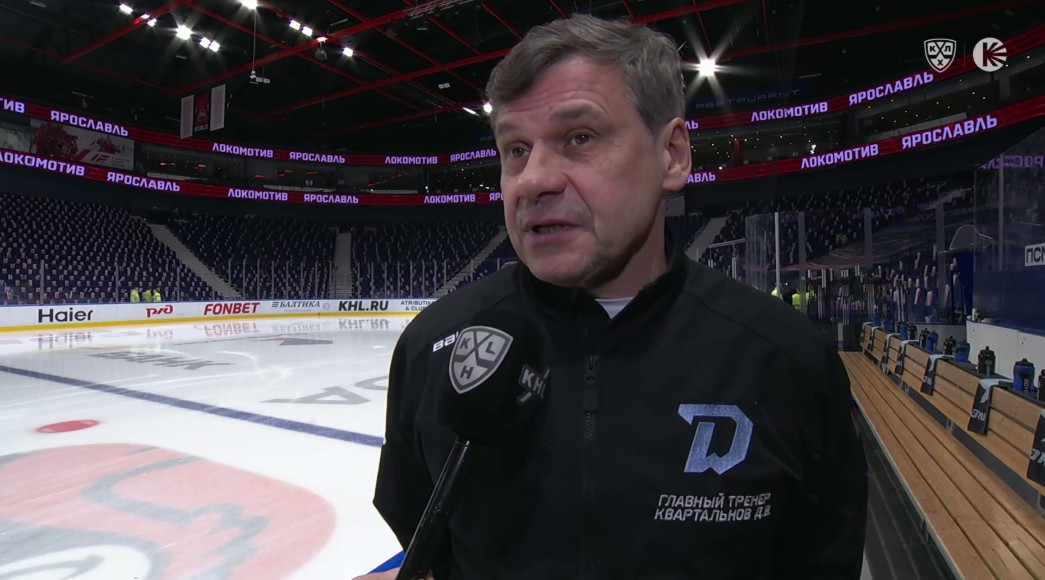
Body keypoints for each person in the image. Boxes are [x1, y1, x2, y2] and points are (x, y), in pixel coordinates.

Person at [357, 13, 867, 580]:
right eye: (516, 149)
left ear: (672, 155)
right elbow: (429, 553)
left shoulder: (785, 359)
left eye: (580, 137)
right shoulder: (434, 347)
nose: (533, 180)